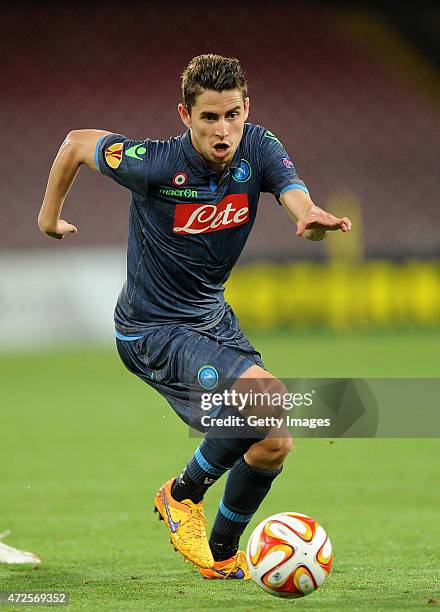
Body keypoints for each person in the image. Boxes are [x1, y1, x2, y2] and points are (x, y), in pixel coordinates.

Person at [38, 54, 351, 580]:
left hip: (210, 318)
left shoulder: (260, 146)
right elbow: (75, 143)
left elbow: (294, 194)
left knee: (274, 441)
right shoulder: (155, 163)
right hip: (152, 329)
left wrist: (310, 217)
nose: (223, 130)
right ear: (185, 117)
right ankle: (181, 494)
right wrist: (49, 218)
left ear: (246, 109)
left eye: (232, 114)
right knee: (269, 397)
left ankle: (223, 554)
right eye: (209, 118)